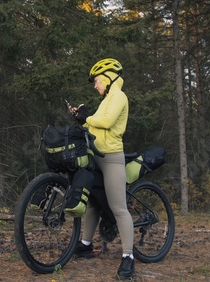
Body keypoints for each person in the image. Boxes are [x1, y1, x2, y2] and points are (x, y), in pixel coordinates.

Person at [72, 58, 135, 280]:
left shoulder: (118, 96)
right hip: (95, 156)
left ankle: (128, 258)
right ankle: (85, 245)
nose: (95, 85)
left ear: (108, 77)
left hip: (111, 158)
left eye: (97, 80)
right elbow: (93, 123)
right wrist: (81, 119)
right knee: (93, 203)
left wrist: (88, 118)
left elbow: (106, 122)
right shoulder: (107, 98)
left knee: (119, 208)